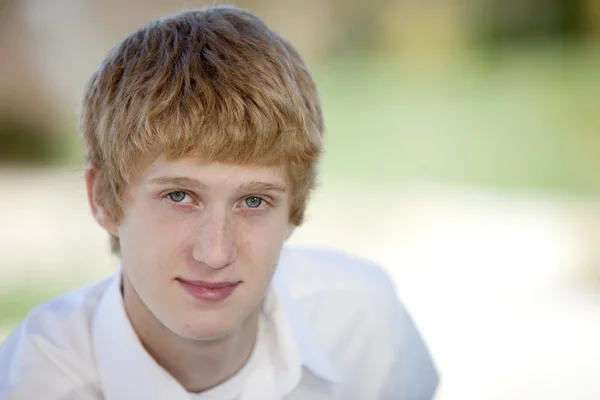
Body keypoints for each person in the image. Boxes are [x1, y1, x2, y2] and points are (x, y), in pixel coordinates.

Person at [0, 6, 438, 399]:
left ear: (295, 209)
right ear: (103, 199)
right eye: (179, 196)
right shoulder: (35, 380)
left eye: (253, 200)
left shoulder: (363, 322)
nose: (215, 253)